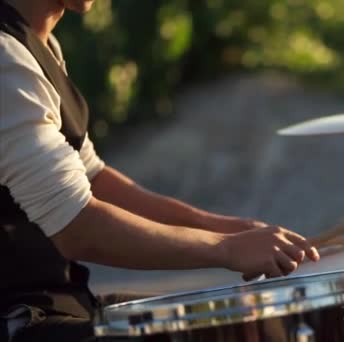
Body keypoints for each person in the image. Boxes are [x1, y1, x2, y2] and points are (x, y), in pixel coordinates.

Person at [0, 0, 320, 340]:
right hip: (21, 320)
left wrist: (233, 229)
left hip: (57, 306)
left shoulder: (36, 45)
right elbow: (77, 227)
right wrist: (225, 248)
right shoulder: (6, 61)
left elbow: (91, 178)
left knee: (249, 323)